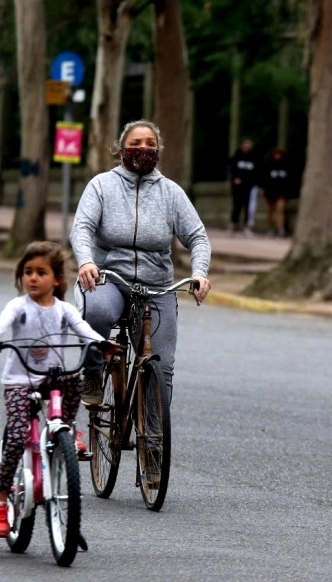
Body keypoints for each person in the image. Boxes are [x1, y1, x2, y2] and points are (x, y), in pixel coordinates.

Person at [0, 241, 116, 538]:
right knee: (15, 436)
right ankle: (0, 504)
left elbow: (84, 330)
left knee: (74, 379)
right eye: (27, 272)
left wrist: (102, 343)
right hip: (20, 382)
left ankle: (67, 428)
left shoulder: (64, 310)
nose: (33, 278)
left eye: (41, 272)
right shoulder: (18, 306)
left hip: (52, 377)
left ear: (57, 280)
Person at [71, 119, 212, 408]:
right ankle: (93, 372)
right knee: (95, 310)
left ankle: (154, 443)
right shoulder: (101, 186)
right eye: (135, 143)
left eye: (150, 143)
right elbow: (82, 228)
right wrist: (86, 262)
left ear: (158, 150)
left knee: (162, 367)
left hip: (156, 287)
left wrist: (200, 273)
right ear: (121, 149)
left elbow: (198, 237)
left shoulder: (171, 192)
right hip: (109, 279)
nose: (143, 148)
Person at [227, 138, 259, 237]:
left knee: (248, 207)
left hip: (249, 186)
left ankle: (247, 227)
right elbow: (231, 170)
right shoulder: (236, 156)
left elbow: (257, 171)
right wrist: (234, 179)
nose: (247, 146)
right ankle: (233, 224)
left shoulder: (254, 158)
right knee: (237, 205)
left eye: (249, 144)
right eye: (245, 144)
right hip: (238, 187)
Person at [259, 147, 291, 237]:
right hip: (270, 191)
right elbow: (263, 178)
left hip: (281, 191)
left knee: (280, 210)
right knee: (270, 211)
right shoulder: (268, 165)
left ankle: (281, 229)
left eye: (279, 154)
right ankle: (270, 228)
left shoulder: (285, 165)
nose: (277, 156)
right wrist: (262, 188)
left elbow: (289, 179)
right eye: (276, 154)